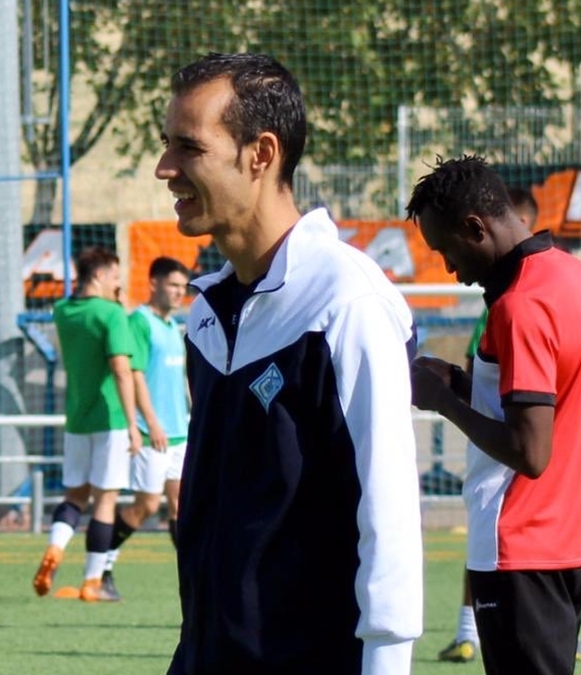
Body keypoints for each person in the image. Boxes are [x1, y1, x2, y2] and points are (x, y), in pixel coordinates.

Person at [155, 52, 423, 674]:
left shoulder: (346, 301)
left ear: (261, 153)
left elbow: (387, 509)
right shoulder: (204, 317)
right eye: (166, 144)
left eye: (188, 147)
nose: (165, 168)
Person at [407, 156, 581, 675]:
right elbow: (546, 402)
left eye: (446, 250)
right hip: (568, 543)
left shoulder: (519, 305)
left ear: (475, 227)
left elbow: (529, 451)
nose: (451, 269)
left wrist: (443, 401)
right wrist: (463, 384)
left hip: (520, 545)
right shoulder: (572, 274)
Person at [32, 247, 142, 603]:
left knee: (74, 496)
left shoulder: (63, 311)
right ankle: (93, 581)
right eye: (114, 277)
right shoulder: (111, 314)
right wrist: (132, 423)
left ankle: (55, 548)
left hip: (76, 419)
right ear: (98, 277)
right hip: (109, 418)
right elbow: (122, 370)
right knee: (105, 499)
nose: (117, 284)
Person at [100, 257, 191, 601]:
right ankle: (101, 565)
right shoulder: (140, 322)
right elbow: (135, 373)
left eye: (183, 287)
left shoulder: (172, 327)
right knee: (147, 506)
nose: (179, 293)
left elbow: (178, 379)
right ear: (154, 283)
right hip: (153, 432)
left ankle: (191, 575)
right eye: (173, 285)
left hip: (179, 432)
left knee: (181, 505)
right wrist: (151, 422)